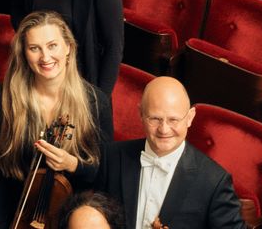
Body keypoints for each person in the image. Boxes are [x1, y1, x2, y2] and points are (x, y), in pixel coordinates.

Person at [0, 11, 109, 229]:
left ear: (68, 47)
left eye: (52, 46)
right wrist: (1, 224)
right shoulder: (6, 98)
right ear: (24, 53)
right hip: (16, 215)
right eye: (34, 48)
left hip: (71, 218)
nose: (45, 57)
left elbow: (105, 170)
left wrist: (73, 165)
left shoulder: (96, 102)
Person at [93, 77, 243, 229]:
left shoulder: (214, 182)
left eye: (173, 120)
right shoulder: (111, 157)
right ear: (141, 114)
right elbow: (89, 213)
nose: (163, 129)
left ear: (190, 118)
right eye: (155, 119)